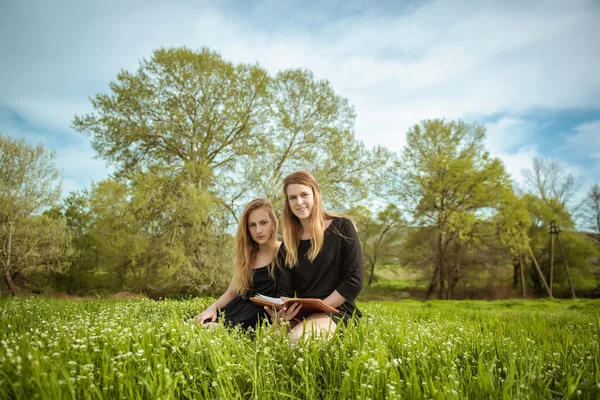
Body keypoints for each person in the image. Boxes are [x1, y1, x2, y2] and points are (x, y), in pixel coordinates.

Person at [267, 171, 364, 343]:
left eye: (304, 195)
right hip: (303, 313)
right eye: (292, 197)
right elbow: (284, 291)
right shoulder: (288, 245)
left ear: (315, 196)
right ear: (288, 203)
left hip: (337, 311)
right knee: (271, 340)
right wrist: (283, 311)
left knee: (296, 340)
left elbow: (354, 281)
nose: (299, 202)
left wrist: (322, 307)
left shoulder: (342, 228)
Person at [195, 198, 282, 330]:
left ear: (273, 223)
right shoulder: (248, 256)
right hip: (236, 310)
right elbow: (231, 293)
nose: (258, 230)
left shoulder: (285, 252)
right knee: (194, 325)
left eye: (263, 223)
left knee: (211, 330)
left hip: (260, 316)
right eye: (252, 225)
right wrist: (211, 309)